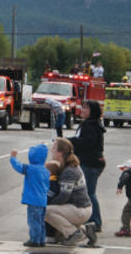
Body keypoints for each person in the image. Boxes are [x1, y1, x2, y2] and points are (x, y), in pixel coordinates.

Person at [45, 138, 96, 246]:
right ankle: (86, 230)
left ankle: (74, 233)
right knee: (60, 236)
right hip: (78, 208)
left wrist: (46, 203)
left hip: (80, 209)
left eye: (53, 148)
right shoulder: (67, 166)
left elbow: (64, 197)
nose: (51, 150)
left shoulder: (69, 171)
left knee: (44, 210)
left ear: (60, 152)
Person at [69, 100, 106, 232]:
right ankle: (88, 220)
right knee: (85, 193)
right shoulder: (89, 124)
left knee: (89, 194)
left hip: (91, 163)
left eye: (86, 108)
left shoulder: (90, 125)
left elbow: (87, 143)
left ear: (93, 111)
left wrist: (70, 141)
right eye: (82, 107)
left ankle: (95, 222)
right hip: (89, 162)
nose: (82, 110)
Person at [10, 144, 50, 247]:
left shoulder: (31, 169)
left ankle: (34, 240)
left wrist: (13, 157)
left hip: (33, 201)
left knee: (33, 221)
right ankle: (41, 239)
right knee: (41, 221)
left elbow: (18, 167)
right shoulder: (46, 170)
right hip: (43, 200)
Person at [116, 160, 131, 237]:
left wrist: (119, 187)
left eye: (123, 168)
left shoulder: (127, 172)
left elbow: (124, 178)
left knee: (126, 211)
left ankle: (125, 229)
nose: (122, 170)